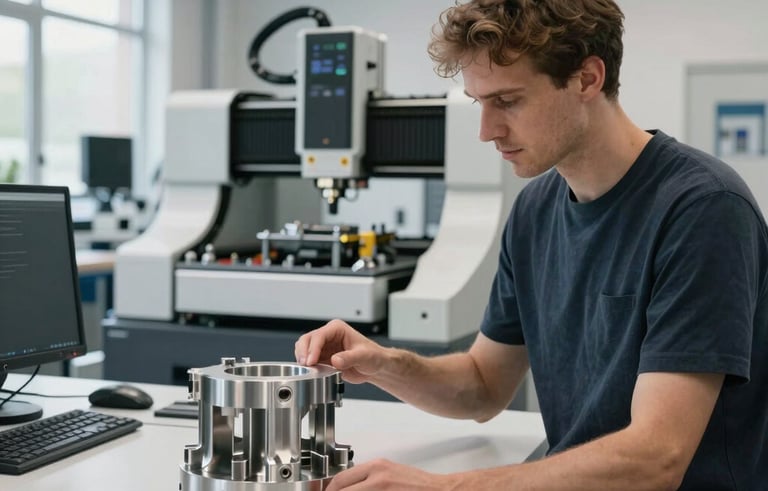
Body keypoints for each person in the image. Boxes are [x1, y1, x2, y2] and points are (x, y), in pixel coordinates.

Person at [295, 0, 768, 489]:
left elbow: (656, 458)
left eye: (507, 101)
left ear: (587, 79)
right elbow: (482, 385)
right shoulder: (535, 210)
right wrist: (381, 364)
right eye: (479, 103)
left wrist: (441, 487)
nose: (486, 131)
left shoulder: (704, 209)